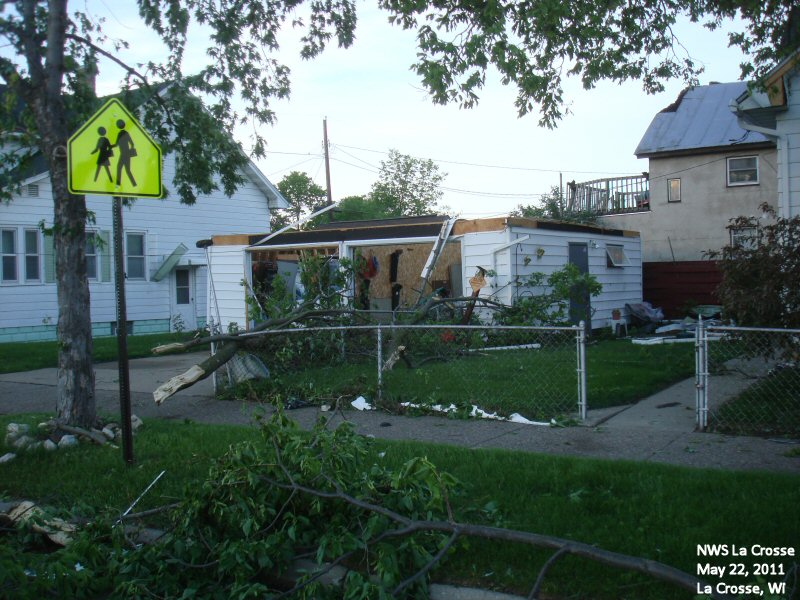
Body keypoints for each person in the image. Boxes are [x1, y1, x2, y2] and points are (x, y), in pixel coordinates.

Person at [112, 119, 137, 187]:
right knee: (127, 170)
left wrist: (110, 146)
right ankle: (134, 184)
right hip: (127, 154)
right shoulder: (126, 133)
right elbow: (132, 143)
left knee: (119, 168)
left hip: (123, 154)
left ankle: (118, 184)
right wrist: (130, 151)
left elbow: (116, 144)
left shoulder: (120, 134)